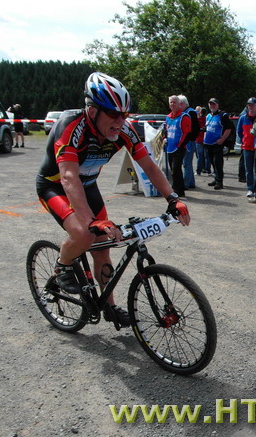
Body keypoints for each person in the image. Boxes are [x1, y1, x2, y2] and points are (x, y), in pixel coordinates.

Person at [36, 72, 189, 327]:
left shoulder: (124, 130)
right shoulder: (71, 126)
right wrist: (90, 221)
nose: (120, 121)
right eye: (113, 114)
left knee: (103, 248)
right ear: (92, 110)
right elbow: (69, 177)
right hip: (55, 186)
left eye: (124, 114)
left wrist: (173, 199)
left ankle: (109, 306)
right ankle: (63, 263)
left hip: (87, 186)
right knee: (85, 234)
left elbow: (149, 166)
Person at [164, 95, 192, 197]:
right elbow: (166, 130)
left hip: (179, 147)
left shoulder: (184, 117)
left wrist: (180, 145)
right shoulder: (168, 117)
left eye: (174, 102)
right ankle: (177, 188)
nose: (172, 104)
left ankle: (178, 190)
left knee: (176, 169)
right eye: (171, 102)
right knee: (173, 169)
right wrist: (164, 138)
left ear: (179, 104)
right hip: (170, 147)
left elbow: (187, 133)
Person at [204, 98, 233, 190]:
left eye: (214, 104)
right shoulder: (208, 115)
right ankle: (216, 178)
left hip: (217, 144)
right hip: (208, 143)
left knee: (218, 163)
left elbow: (228, 128)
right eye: (210, 104)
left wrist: (222, 139)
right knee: (212, 162)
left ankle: (219, 182)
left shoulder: (223, 115)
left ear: (218, 105)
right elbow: (206, 128)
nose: (212, 106)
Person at [236, 97, 256, 197]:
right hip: (247, 147)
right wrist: (245, 140)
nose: (251, 107)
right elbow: (239, 132)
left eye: (253, 105)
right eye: (249, 105)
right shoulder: (243, 118)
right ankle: (250, 189)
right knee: (248, 170)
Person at [178, 95, 199, 190]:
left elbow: (195, 128)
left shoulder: (190, 113)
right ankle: (191, 183)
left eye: (180, 104)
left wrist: (190, 138)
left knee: (186, 163)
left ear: (183, 103)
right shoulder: (188, 112)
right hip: (189, 140)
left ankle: (185, 183)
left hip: (189, 141)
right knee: (188, 163)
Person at [194, 106, 211, 175]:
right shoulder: (207, 119)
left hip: (199, 139)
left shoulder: (197, 120)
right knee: (207, 156)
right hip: (206, 139)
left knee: (200, 156)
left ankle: (198, 171)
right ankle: (208, 170)